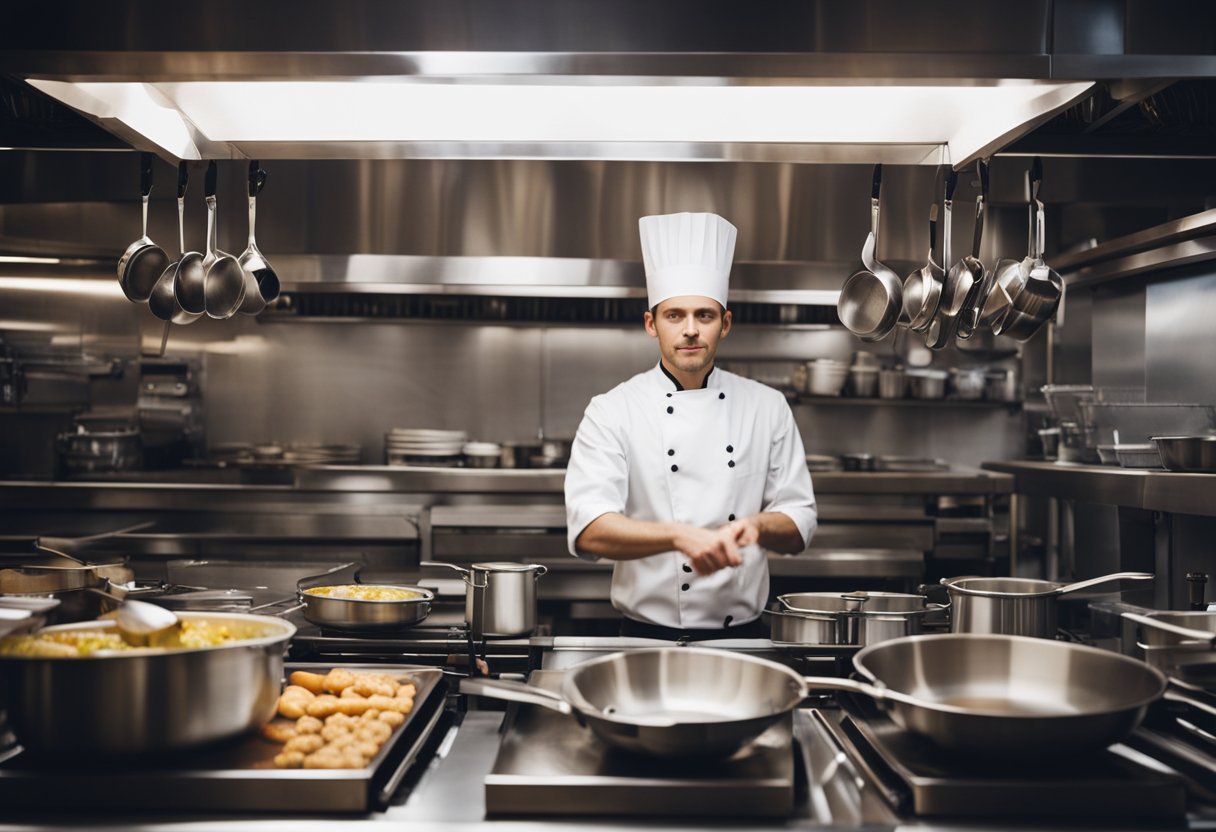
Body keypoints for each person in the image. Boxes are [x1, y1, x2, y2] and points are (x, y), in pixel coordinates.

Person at [564, 211, 817, 640]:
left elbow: (799, 522)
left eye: (704, 315)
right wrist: (680, 536)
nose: (689, 331)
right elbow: (589, 529)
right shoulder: (612, 410)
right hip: (645, 638)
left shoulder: (767, 406)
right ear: (651, 324)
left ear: (726, 324)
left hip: (742, 638)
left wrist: (756, 526)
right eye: (674, 315)